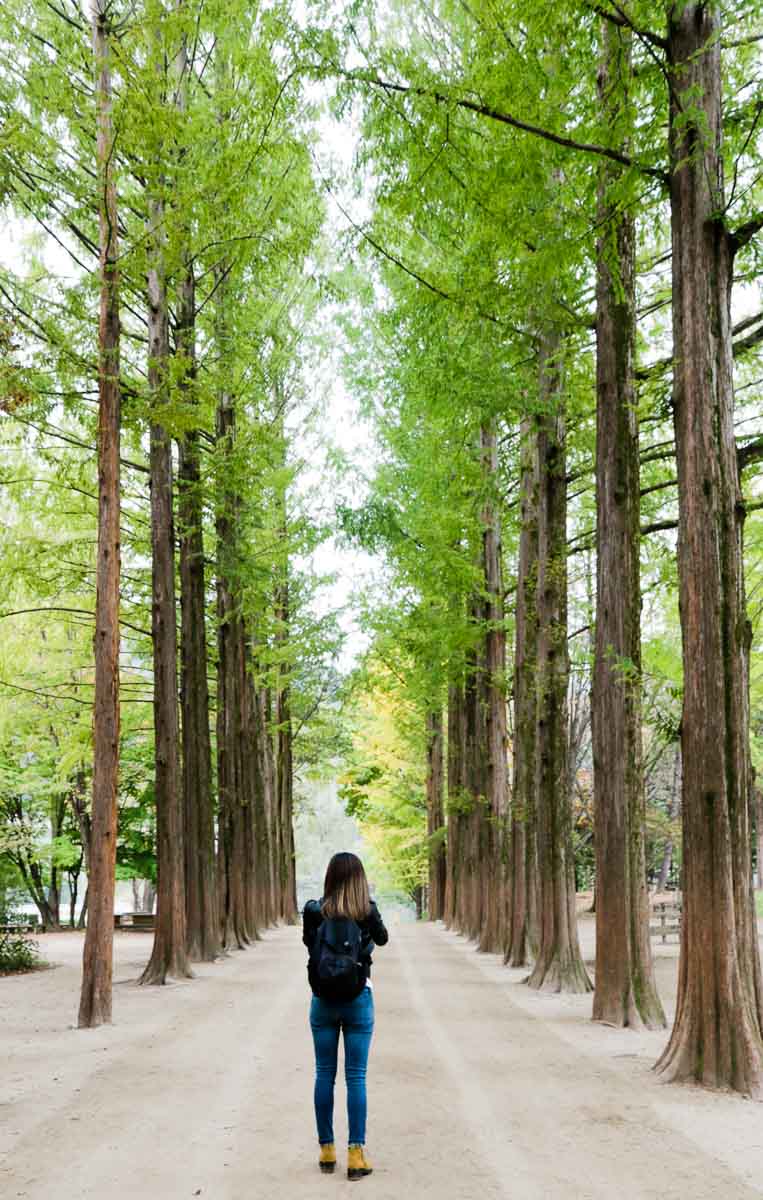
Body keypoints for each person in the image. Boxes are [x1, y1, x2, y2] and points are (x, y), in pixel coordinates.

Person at [303, 851, 388, 1181]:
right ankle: (356, 1154)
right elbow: (382, 938)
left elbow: (309, 944)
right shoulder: (366, 910)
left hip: (322, 1000)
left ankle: (326, 1150)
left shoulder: (314, 910)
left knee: (324, 1072)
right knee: (356, 1076)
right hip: (358, 999)